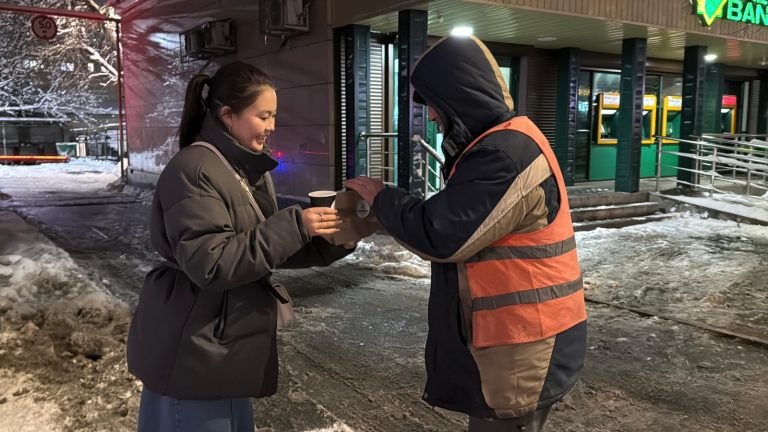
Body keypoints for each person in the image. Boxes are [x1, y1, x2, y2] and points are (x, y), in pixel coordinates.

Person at [346, 35, 587, 432]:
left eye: (436, 107)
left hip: (525, 346)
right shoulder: (501, 143)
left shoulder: (504, 155)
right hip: (524, 339)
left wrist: (383, 200)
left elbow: (444, 234)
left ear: (458, 97)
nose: (435, 119)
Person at [127, 61, 355, 431]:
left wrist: (335, 239)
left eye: (274, 115)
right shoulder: (195, 169)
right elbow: (211, 263)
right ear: (228, 115)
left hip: (221, 343)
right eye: (263, 116)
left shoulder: (246, 170)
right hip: (197, 345)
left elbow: (261, 248)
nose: (272, 127)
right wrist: (295, 224)